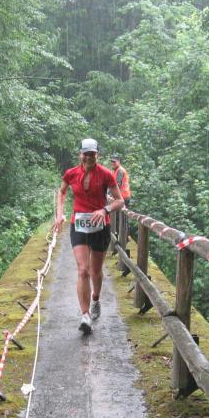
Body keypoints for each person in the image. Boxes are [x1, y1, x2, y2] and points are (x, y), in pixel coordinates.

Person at [55, 138, 124, 334]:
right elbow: (62, 193)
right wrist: (59, 214)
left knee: (95, 271)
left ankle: (95, 298)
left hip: (100, 226)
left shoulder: (106, 174)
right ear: (80, 154)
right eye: (86, 154)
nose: (89, 157)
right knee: (83, 270)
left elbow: (120, 201)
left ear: (97, 155)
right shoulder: (71, 173)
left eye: (92, 154)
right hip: (79, 225)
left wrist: (105, 210)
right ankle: (85, 316)